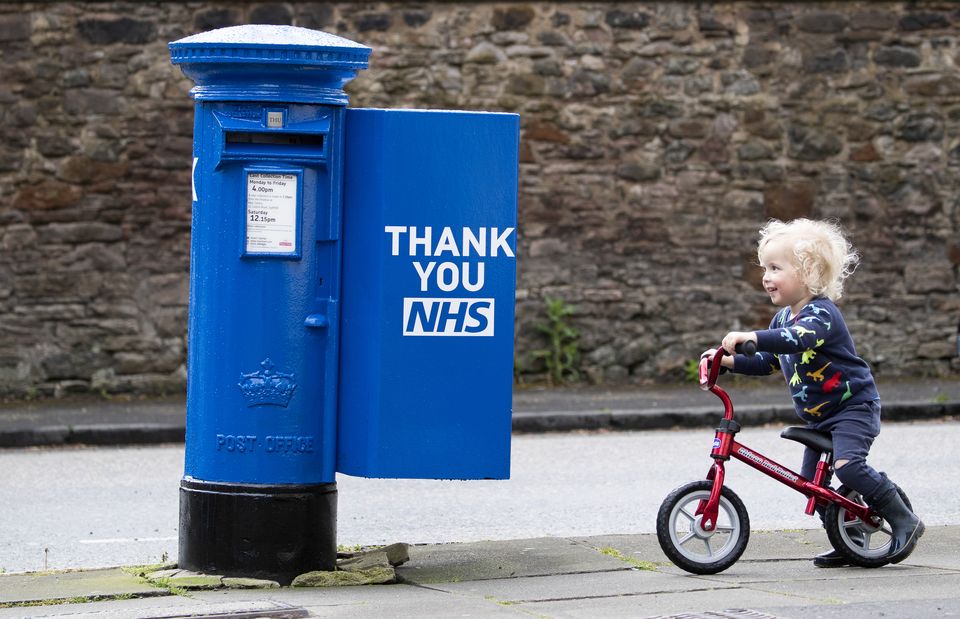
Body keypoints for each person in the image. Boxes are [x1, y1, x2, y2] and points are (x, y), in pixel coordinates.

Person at [710, 218, 923, 567]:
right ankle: (850, 541)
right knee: (810, 485)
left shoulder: (821, 315)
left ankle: (904, 520)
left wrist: (752, 336)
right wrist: (728, 363)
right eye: (765, 267)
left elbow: (799, 340)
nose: (766, 276)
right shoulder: (781, 319)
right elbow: (769, 361)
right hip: (819, 417)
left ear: (807, 272)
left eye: (776, 268)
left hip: (853, 407)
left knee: (849, 467)